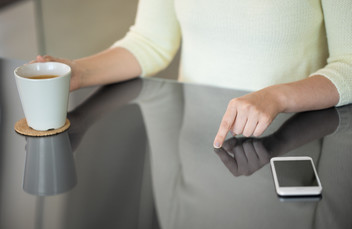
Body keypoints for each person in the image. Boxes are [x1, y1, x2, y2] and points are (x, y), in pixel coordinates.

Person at [34, 0, 352, 149]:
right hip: (203, 145)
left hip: (293, 147)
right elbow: (150, 41)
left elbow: (348, 65)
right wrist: (78, 72)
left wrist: (276, 97)